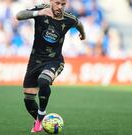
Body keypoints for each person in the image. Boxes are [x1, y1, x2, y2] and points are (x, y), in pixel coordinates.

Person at [16, 0, 86, 133]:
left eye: (63, 4)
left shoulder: (68, 18)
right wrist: (38, 13)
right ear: (50, 2)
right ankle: (41, 121)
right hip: (35, 61)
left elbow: (79, 24)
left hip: (55, 61)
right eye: (57, 3)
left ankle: (41, 116)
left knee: (43, 80)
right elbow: (19, 15)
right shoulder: (41, 10)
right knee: (28, 99)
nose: (60, 7)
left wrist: (83, 34)